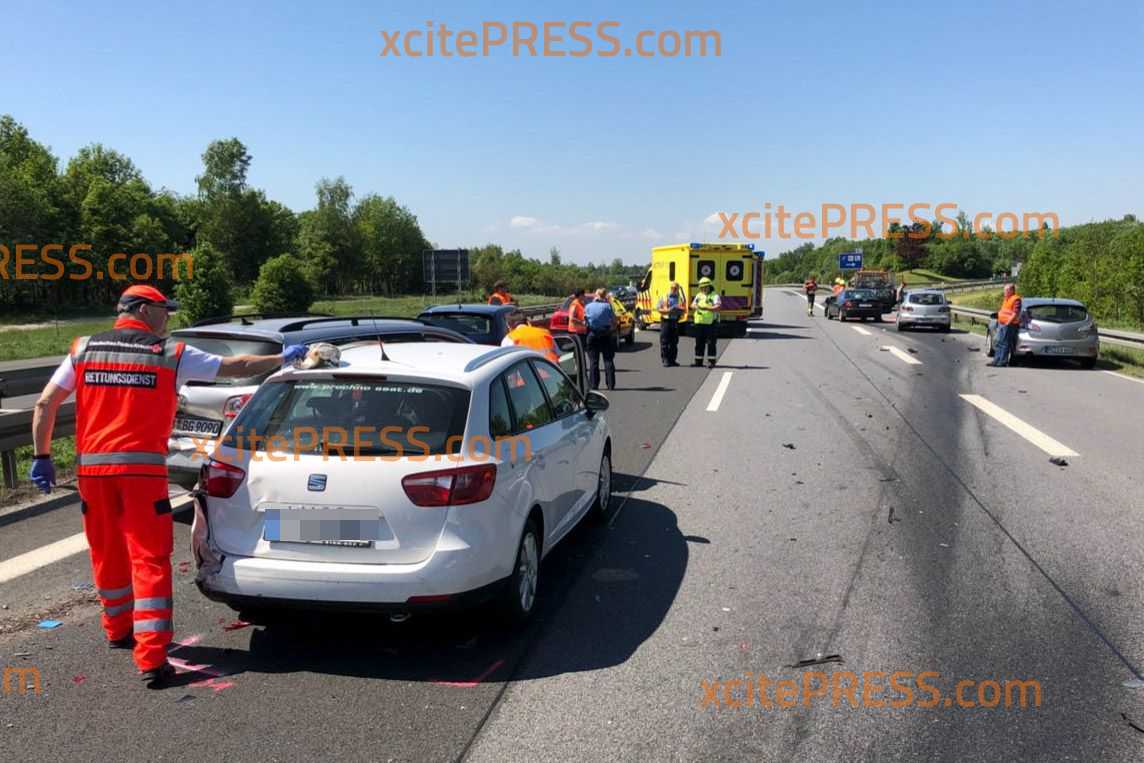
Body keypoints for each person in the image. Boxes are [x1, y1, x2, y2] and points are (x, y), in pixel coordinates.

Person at [29, 284, 306, 688]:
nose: (168, 319)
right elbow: (238, 366)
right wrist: (284, 358)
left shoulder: (83, 348)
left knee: (106, 551)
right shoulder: (170, 353)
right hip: (141, 475)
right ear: (143, 310)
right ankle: (152, 658)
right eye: (164, 311)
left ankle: (117, 629)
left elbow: (45, 403)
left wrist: (42, 456)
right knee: (149, 559)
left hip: (93, 474)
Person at [584, 288, 617, 390]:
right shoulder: (607, 306)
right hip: (606, 334)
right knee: (608, 360)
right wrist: (611, 329)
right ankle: (610, 384)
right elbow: (614, 321)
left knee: (593, 361)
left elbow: (585, 321)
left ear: (596, 295)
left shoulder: (588, 306)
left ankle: (594, 385)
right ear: (604, 296)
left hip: (592, 334)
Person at [691, 276, 721, 368]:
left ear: (709, 286)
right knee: (699, 343)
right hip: (699, 323)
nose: (703, 289)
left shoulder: (714, 296)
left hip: (711, 324)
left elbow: (718, 307)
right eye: (701, 288)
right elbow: (692, 305)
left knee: (711, 343)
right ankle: (698, 361)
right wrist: (696, 306)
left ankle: (711, 362)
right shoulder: (699, 295)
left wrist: (707, 308)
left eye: (705, 287)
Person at [991, 283, 1023, 367]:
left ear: (1011, 290)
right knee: (999, 342)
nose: (1004, 292)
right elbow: (1003, 311)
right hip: (1002, 323)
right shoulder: (1006, 299)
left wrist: (1008, 323)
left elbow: (1015, 313)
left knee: (1004, 343)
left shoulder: (1016, 299)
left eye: (1006, 290)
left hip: (1010, 325)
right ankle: (996, 360)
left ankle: (1002, 361)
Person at [656, 281, 686, 367]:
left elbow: (684, 309)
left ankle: (672, 360)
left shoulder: (680, 298)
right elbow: (658, 309)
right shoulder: (664, 297)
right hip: (666, 321)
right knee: (664, 341)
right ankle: (665, 359)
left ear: (678, 289)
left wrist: (680, 311)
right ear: (670, 288)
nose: (674, 289)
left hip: (675, 321)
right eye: (672, 288)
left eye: (676, 288)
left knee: (674, 342)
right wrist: (668, 310)